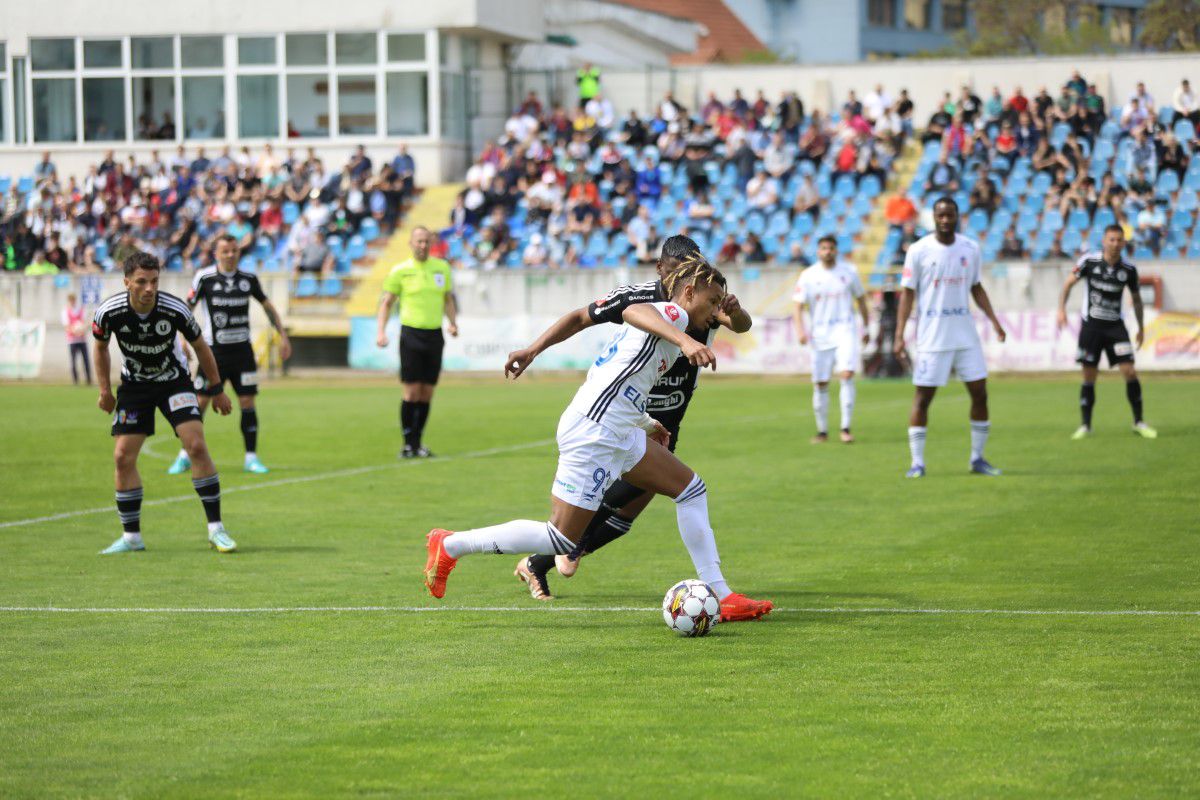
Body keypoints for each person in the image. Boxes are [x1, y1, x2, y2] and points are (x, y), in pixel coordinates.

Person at [423, 255, 772, 623]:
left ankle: (722, 594)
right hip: (595, 431)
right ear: (688, 292)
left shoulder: (673, 324)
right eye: (713, 302)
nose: (716, 311)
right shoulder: (674, 315)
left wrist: (647, 421)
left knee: (691, 489)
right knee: (559, 538)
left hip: (618, 428)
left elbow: (619, 378)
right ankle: (449, 545)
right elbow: (635, 312)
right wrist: (686, 341)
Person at [514, 236, 757, 609]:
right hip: (623, 416)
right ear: (661, 269)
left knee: (631, 508)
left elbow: (739, 324)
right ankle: (546, 555)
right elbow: (580, 317)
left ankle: (550, 554)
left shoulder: (706, 295)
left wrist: (736, 311)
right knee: (630, 493)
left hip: (665, 419)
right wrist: (534, 348)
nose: (685, 278)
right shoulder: (639, 298)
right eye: (678, 269)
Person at [92, 251, 236, 555]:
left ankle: (217, 530)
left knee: (195, 445)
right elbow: (101, 348)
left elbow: (200, 347)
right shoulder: (109, 312)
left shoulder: (174, 309)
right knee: (122, 457)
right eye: (142, 282)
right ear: (127, 282)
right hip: (134, 386)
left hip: (174, 381)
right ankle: (132, 537)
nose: (149, 288)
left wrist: (217, 387)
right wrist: (105, 390)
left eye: (154, 281)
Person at [895, 197, 1007, 478]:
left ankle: (977, 458)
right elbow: (907, 294)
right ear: (933, 218)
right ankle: (917, 463)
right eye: (941, 215)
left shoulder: (970, 248)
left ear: (957, 216)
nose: (945, 220)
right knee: (923, 398)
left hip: (965, 336)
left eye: (950, 215)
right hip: (932, 337)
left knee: (980, 394)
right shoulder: (919, 250)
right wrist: (899, 335)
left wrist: (994, 320)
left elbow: (976, 287)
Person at [167, 234, 292, 475]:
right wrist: (180, 339)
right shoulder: (205, 277)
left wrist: (283, 336)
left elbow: (267, 306)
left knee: (247, 402)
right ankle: (184, 455)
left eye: (234, 250)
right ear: (216, 254)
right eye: (225, 251)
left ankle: (251, 458)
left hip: (243, 352)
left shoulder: (248, 279)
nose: (231, 255)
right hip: (213, 353)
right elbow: (185, 309)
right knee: (200, 402)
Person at [1057, 226, 1156, 440]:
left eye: (1119, 240)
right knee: (1089, 375)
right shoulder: (1089, 262)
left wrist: (1140, 327)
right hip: (1091, 326)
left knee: (1129, 371)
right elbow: (1067, 285)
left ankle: (1139, 422)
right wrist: (1061, 310)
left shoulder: (1129, 269)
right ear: (1104, 241)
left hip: (1115, 328)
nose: (1115, 244)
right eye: (1111, 239)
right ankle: (1085, 425)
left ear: (1123, 243)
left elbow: (1137, 299)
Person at [376, 227, 459, 458]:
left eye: (426, 241)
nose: (423, 245)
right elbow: (386, 302)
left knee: (427, 393)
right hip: (411, 335)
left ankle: (419, 442)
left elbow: (448, 299)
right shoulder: (400, 271)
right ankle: (407, 443)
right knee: (411, 391)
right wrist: (381, 331)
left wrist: (452, 323)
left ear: (431, 243)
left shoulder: (441, 268)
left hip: (434, 335)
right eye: (419, 241)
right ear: (411, 244)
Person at [793, 236, 870, 444]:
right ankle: (822, 431)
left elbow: (861, 299)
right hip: (820, 335)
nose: (827, 251)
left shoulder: (849, 272)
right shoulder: (808, 275)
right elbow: (798, 306)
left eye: (831, 248)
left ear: (837, 250)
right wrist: (801, 330)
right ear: (818, 251)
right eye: (824, 248)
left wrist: (867, 326)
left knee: (846, 375)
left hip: (845, 330)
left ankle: (845, 428)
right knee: (821, 383)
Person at [63, 293, 92, 385]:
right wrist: (75, 331)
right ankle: (75, 381)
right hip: (72, 341)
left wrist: (82, 329)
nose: (72, 302)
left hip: (82, 340)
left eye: (74, 300)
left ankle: (88, 380)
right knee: (73, 361)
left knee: (86, 360)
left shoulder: (81, 310)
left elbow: (86, 323)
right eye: (71, 300)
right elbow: (66, 326)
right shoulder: (65, 312)